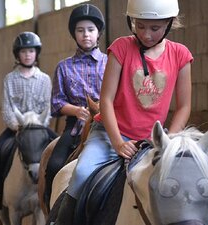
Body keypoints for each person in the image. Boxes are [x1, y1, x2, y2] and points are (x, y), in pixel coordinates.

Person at [52, 0, 193, 224]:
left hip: (153, 139)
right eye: (140, 26)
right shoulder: (121, 48)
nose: (146, 35)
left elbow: (184, 106)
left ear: (169, 23)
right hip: (109, 134)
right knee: (80, 173)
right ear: (131, 22)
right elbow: (106, 100)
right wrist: (118, 143)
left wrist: (167, 141)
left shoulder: (181, 55)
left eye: (155, 28)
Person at [44, 3, 108, 208]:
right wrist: (76, 110)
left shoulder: (110, 63)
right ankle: (51, 210)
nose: (86, 35)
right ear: (74, 34)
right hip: (75, 126)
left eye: (90, 30)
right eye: (80, 30)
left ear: (98, 33)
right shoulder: (63, 67)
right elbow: (56, 103)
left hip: (108, 123)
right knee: (54, 165)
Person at [0, 31, 56, 210]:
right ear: (18, 55)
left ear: (36, 53)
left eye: (31, 51)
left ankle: (53, 194)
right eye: (24, 52)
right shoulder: (10, 79)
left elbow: (48, 107)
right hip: (17, 128)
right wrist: (16, 126)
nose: (28, 55)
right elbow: (7, 108)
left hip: (39, 128)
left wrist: (40, 124)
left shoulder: (44, 79)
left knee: (59, 150)